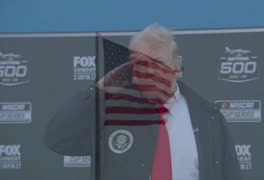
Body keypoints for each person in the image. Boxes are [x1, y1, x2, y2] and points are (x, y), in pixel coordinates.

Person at [45, 23, 240, 180]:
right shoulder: (113, 111)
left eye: (158, 63)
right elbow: (58, 140)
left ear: (177, 66)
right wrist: (97, 92)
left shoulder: (208, 117)